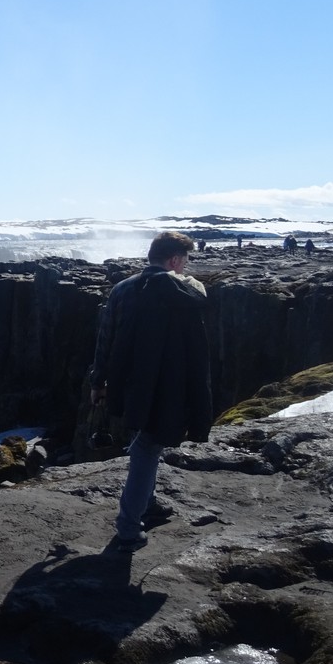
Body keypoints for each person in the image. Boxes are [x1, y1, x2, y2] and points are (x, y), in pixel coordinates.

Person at [89, 231, 213, 551]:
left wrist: (98, 381)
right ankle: (129, 527)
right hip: (169, 385)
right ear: (173, 260)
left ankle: (148, 504)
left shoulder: (123, 289)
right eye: (185, 260)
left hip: (128, 383)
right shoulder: (187, 293)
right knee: (148, 446)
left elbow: (106, 339)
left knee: (146, 441)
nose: (186, 266)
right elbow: (195, 346)